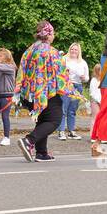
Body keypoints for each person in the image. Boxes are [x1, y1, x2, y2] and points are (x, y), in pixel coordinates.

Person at [14, 21, 71, 162]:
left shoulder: (29, 51)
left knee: (43, 119)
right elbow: (60, 74)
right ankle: (29, 141)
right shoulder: (51, 52)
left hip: (29, 94)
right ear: (49, 34)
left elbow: (22, 71)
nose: (54, 36)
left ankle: (41, 152)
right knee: (54, 120)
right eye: (53, 33)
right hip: (47, 92)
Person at [57, 42, 88, 141]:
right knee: (63, 109)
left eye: (76, 49)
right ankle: (61, 131)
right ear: (69, 50)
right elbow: (58, 72)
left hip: (77, 87)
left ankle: (71, 131)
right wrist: (64, 72)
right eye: (72, 49)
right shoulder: (64, 59)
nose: (73, 51)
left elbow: (87, 78)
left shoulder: (82, 62)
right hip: (66, 86)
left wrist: (83, 78)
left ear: (79, 51)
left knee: (72, 110)